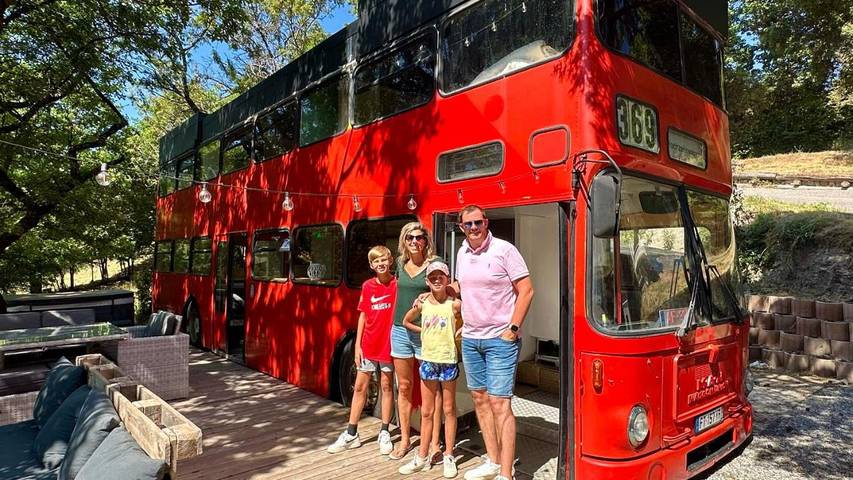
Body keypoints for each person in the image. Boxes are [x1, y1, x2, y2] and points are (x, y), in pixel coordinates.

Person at [455, 205, 534, 480]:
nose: (474, 228)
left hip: (500, 340)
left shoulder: (504, 250)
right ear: (461, 227)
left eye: (478, 222)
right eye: (468, 224)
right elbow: (463, 287)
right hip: (471, 338)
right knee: (480, 400)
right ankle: (492, 459)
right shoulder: (462, 251)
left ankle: (506, 472)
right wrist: (438, 292)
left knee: (500, 404)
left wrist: (512, 329)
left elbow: (526, 290)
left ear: (486, 223)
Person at [327, 246, 397, 455]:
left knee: (386, 386)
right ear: (371, 265)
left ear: (390, 260)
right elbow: (363, 316)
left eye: (384, 259)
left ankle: (384, 431)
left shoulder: (397, 285)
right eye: (376, 261)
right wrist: (357, 345)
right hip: (369, 344)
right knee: (359, 388)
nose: (381, 264)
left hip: (389, 345)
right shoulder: (367, 286)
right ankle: (351, 433)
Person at [399, 262, 463, 478]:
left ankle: (449, 455)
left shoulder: (455, 305)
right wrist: (424, 330)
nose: (437, 280)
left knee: (448, 409)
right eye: (432, 277)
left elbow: (469, 319)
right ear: (427, 281)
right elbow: (406, 321)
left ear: (448, 279)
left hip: (448, 361)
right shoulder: (423, 303)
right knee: (427, 411)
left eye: (441, 276)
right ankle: (422, 455)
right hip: (428, 360)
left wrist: (460, 330)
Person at [389, 222, 443, 462]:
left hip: (426, 332)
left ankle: (434, 443)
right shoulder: (400, 264)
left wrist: (429, 293)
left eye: (419, 237)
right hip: (400, 330)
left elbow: (450, 288)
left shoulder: (434, 263)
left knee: (432, 389)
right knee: (403, 386)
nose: (414, 241)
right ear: (404, 240)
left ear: (425, 240)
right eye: (410, 237)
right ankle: (404, 439)